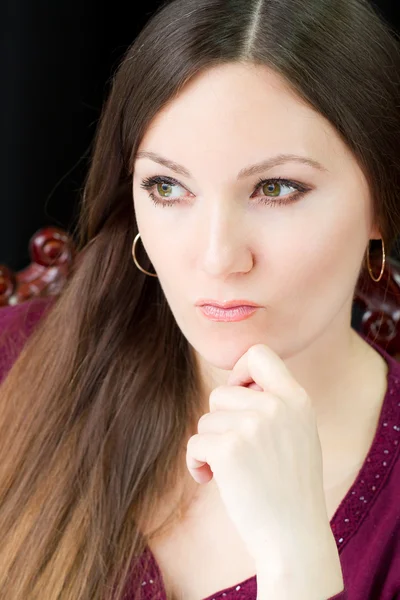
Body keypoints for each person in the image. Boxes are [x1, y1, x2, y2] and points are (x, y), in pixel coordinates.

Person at [0, 0, 399, 598]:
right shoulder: (14, 362)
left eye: (276, 188)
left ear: (382, 203)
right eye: (168, 186)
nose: (216, 258)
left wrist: (298, 561)